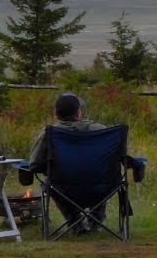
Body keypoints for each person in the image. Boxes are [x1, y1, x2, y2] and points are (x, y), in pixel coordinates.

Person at [28, 92, 107, 233]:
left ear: (56, 114)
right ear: (78, 113)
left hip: (64, 188)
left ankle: (76, 223)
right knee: (100, 175)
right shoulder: (101, 131)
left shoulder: (50, 134)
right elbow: (118, 158)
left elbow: (34, 163)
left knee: (52, 184)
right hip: (101, 186)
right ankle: (95, 221)